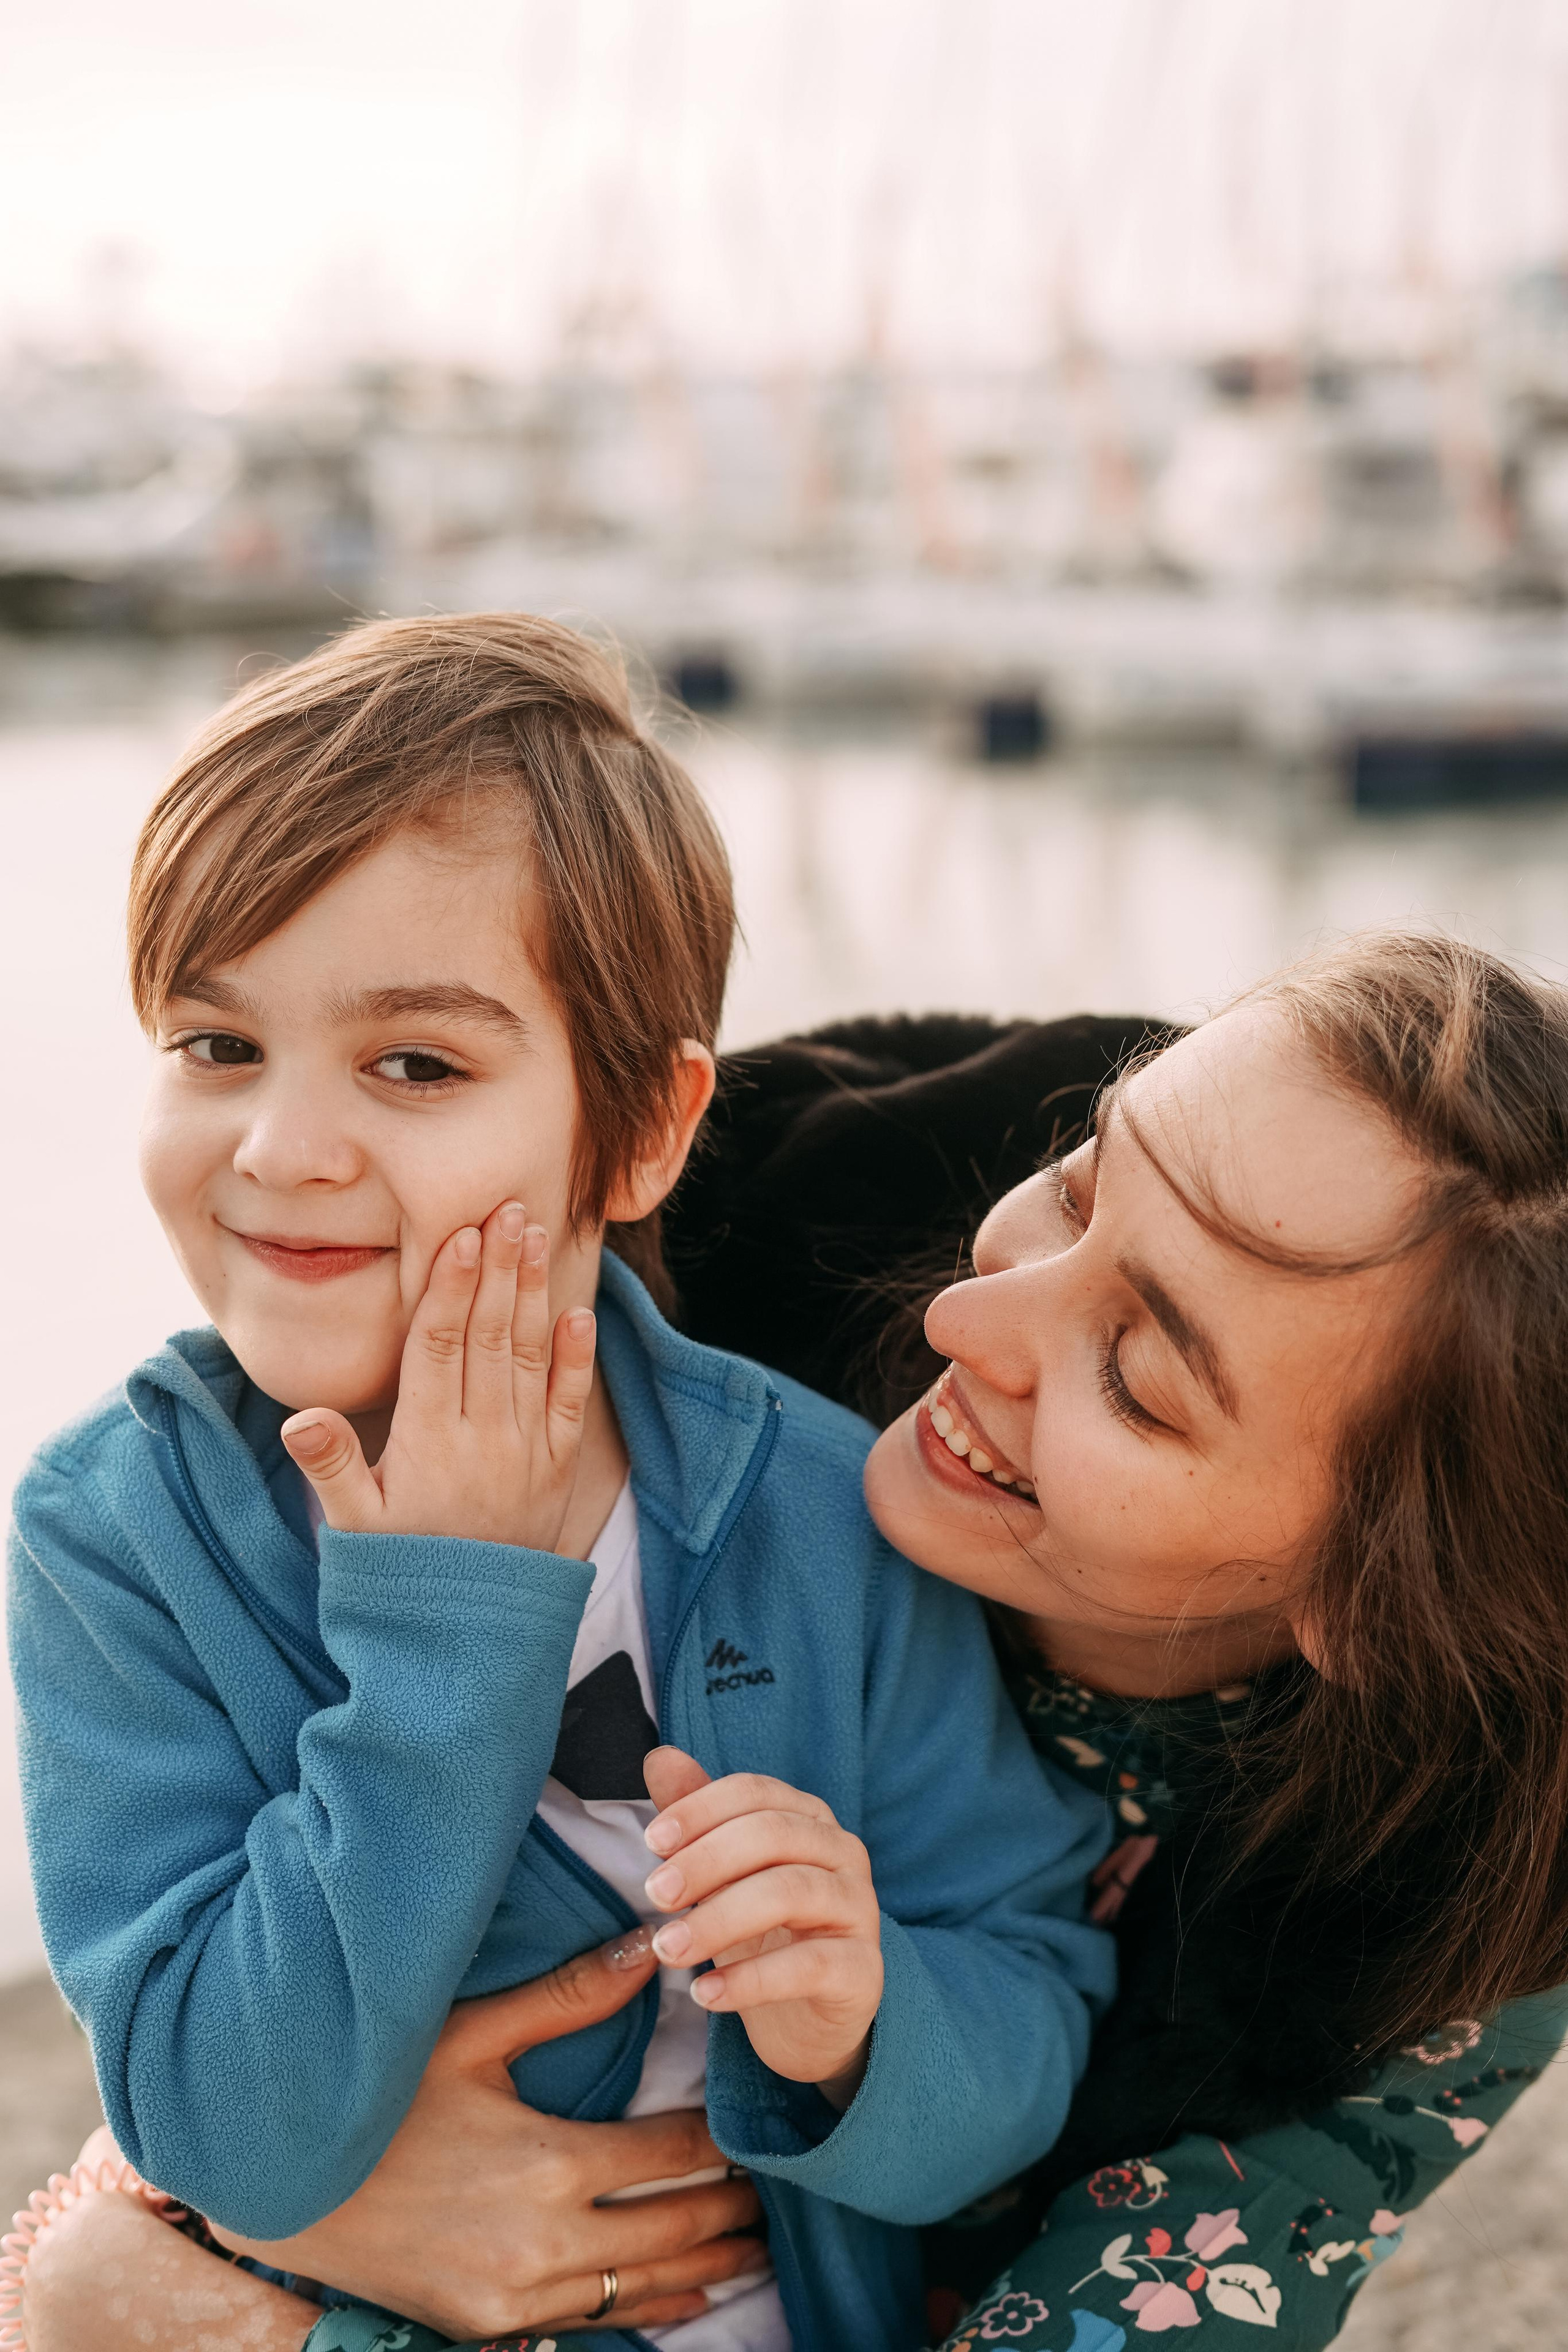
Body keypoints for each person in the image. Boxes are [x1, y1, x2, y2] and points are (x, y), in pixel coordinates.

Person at [31, 929, 1568, 2352]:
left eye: (1140, 1382)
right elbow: (224, 1948)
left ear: (1373, 1600)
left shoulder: (1456, 1907)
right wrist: (228, 2213)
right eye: (1080, 1186)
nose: (973, 1323)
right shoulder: (665, 1327)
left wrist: (198, 2306)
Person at [2, 613, 1112, 2352]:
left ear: (643, 1131)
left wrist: (868, 2012)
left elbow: (1036, 2015)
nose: (284, 1148)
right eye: (216, 1046)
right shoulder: (117, 1545)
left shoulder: (816, 1505)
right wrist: (445, 1637)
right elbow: (223, 2133)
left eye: (417, 1065)